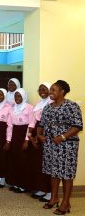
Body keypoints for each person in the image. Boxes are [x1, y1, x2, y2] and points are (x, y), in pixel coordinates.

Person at [38, 80, 82, 215]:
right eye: (50, 90)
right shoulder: (48, 107)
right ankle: (54, 198)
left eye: (53, 90)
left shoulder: (72, 106)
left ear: (62, 92)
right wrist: (39, 135)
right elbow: (41, 124)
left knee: (67, 173)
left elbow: (77, 126)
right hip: (50, 145)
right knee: (53, 171)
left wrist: (62, 137)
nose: (50, 93)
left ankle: (66, 202)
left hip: (67, 146)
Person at [6, 88, 35, 193]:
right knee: (15, 159)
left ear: (24, 96)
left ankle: (23, 185)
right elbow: (9, 125)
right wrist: (8, 140)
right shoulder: (12, 108)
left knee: (24, 160)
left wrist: (27, 140)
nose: (17, 98)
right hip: (15, 135)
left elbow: (32, 124)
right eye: (15, 96)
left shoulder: (29, 107)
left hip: (24, 134)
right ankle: (16, 183)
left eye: (19, 96)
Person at [28, 83, 52, 201]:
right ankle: (42, 188)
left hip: (47, 135)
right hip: (37, 133)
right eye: (40, 89)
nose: (42, 91)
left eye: (45, 89)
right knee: (39, 163)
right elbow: (33, 121)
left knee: (48, 163)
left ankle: (50, 191)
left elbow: (48, 123)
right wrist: (30, 136)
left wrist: (39, 135)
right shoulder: (39, 103)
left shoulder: (51, 103)